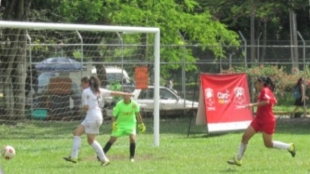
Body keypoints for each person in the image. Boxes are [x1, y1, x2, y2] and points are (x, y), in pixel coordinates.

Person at [64, 76, 134, 166]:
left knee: (91, 140)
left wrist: (84, 109)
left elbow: (85, 108)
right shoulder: (99, 90)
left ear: (87, 83)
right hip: (97, 116)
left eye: (82, 84)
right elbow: (113, 93)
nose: (82, 86)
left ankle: (104, 159)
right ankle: (74, 156)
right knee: (76, 133)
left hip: (91, 117)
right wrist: (125, 93)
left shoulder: (85, 92)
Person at [227, 76, 296, 166]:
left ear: (262, 83)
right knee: (245, 137)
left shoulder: (265, 90)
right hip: (258, 120)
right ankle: (238, 159)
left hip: (267, 121)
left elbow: (267, 101)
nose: (256, 85)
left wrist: (253, 104)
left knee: (268, 144)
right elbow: (274, 101)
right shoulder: (265, 91)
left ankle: (289, 147)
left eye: (257, 83)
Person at [99, 90, 146, 162]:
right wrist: (114, 123)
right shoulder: (119, 104)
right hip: (120, 124)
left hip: (131, 124)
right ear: (122, 96)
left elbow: (138, 114)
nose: (126, 96)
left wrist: (141, 124)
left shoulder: (134, 104)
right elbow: (114, 115)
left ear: (130, 96)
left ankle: (132, 157)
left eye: (127, 95)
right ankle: (101, 155)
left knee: (132, 138)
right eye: (124, 95)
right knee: (112, 139)